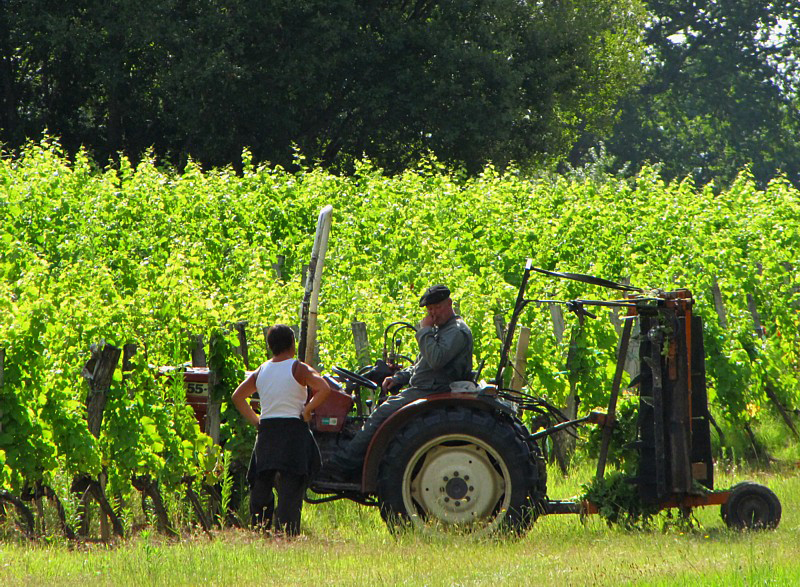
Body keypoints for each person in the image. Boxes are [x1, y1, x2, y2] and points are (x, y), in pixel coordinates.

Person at [326, 284, 473, 479]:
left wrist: (424, 330)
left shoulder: (456, 331)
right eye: (430, 309)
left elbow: (436, 360)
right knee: (380, 409)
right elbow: (422, 365)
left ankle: (343, 464)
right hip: (424, 386)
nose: (433, 313)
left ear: (449, 303)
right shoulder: (442, 330)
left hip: (432, 390)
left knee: (381, 415)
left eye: (437, 307)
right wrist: (399, 377)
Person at [231, 324, 331, 535]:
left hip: (267, 433)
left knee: (261, 483)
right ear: (292, 345)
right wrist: (308, 409)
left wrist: (256, 420)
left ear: (270, 347)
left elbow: (237, 396)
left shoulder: (262, 370)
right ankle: (287, 533)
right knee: (290, 487)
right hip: (293, 433)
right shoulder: (298, 368)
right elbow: (324, 388)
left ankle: (261, 530)